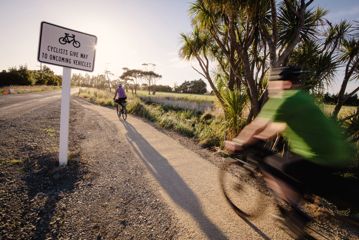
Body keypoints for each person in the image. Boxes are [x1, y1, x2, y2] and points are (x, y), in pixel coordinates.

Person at [225, 66, 358, 223]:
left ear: (284, 84)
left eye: (273, 83)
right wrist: (259, 138)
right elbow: (277, 126)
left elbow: (256, 126)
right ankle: (299, 199)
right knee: (288, 160)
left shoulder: (284, 98)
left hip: (317, 156)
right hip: (339, 151)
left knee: (277, 168)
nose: (271, 87)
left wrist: (238, 142)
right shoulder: (302, 97)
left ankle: (295, 217)